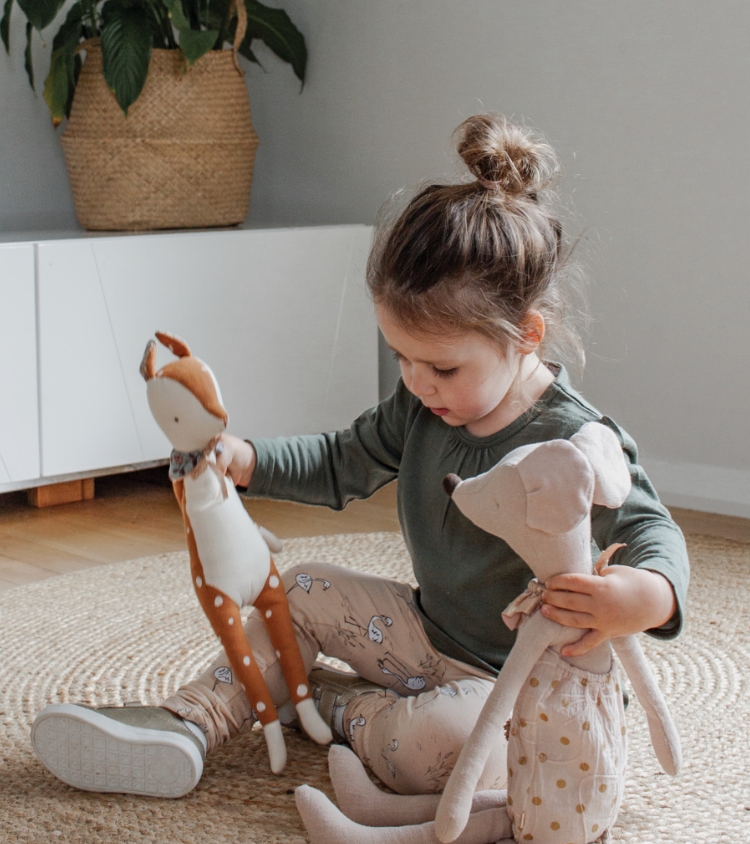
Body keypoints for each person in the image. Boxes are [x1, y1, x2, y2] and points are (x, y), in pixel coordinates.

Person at [31, 114, 688, 802]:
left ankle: (335, 704)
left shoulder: (577, 439)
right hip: (423, 637)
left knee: (440, 748)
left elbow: (653, 531)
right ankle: (189, 722)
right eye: (401, 357)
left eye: (442, 367)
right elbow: (343, 460)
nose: (419, 383)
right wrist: (246, 459)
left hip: (517, 691)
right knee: (300, 589)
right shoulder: (423, 405)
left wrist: (643, 597)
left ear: (526, 336)